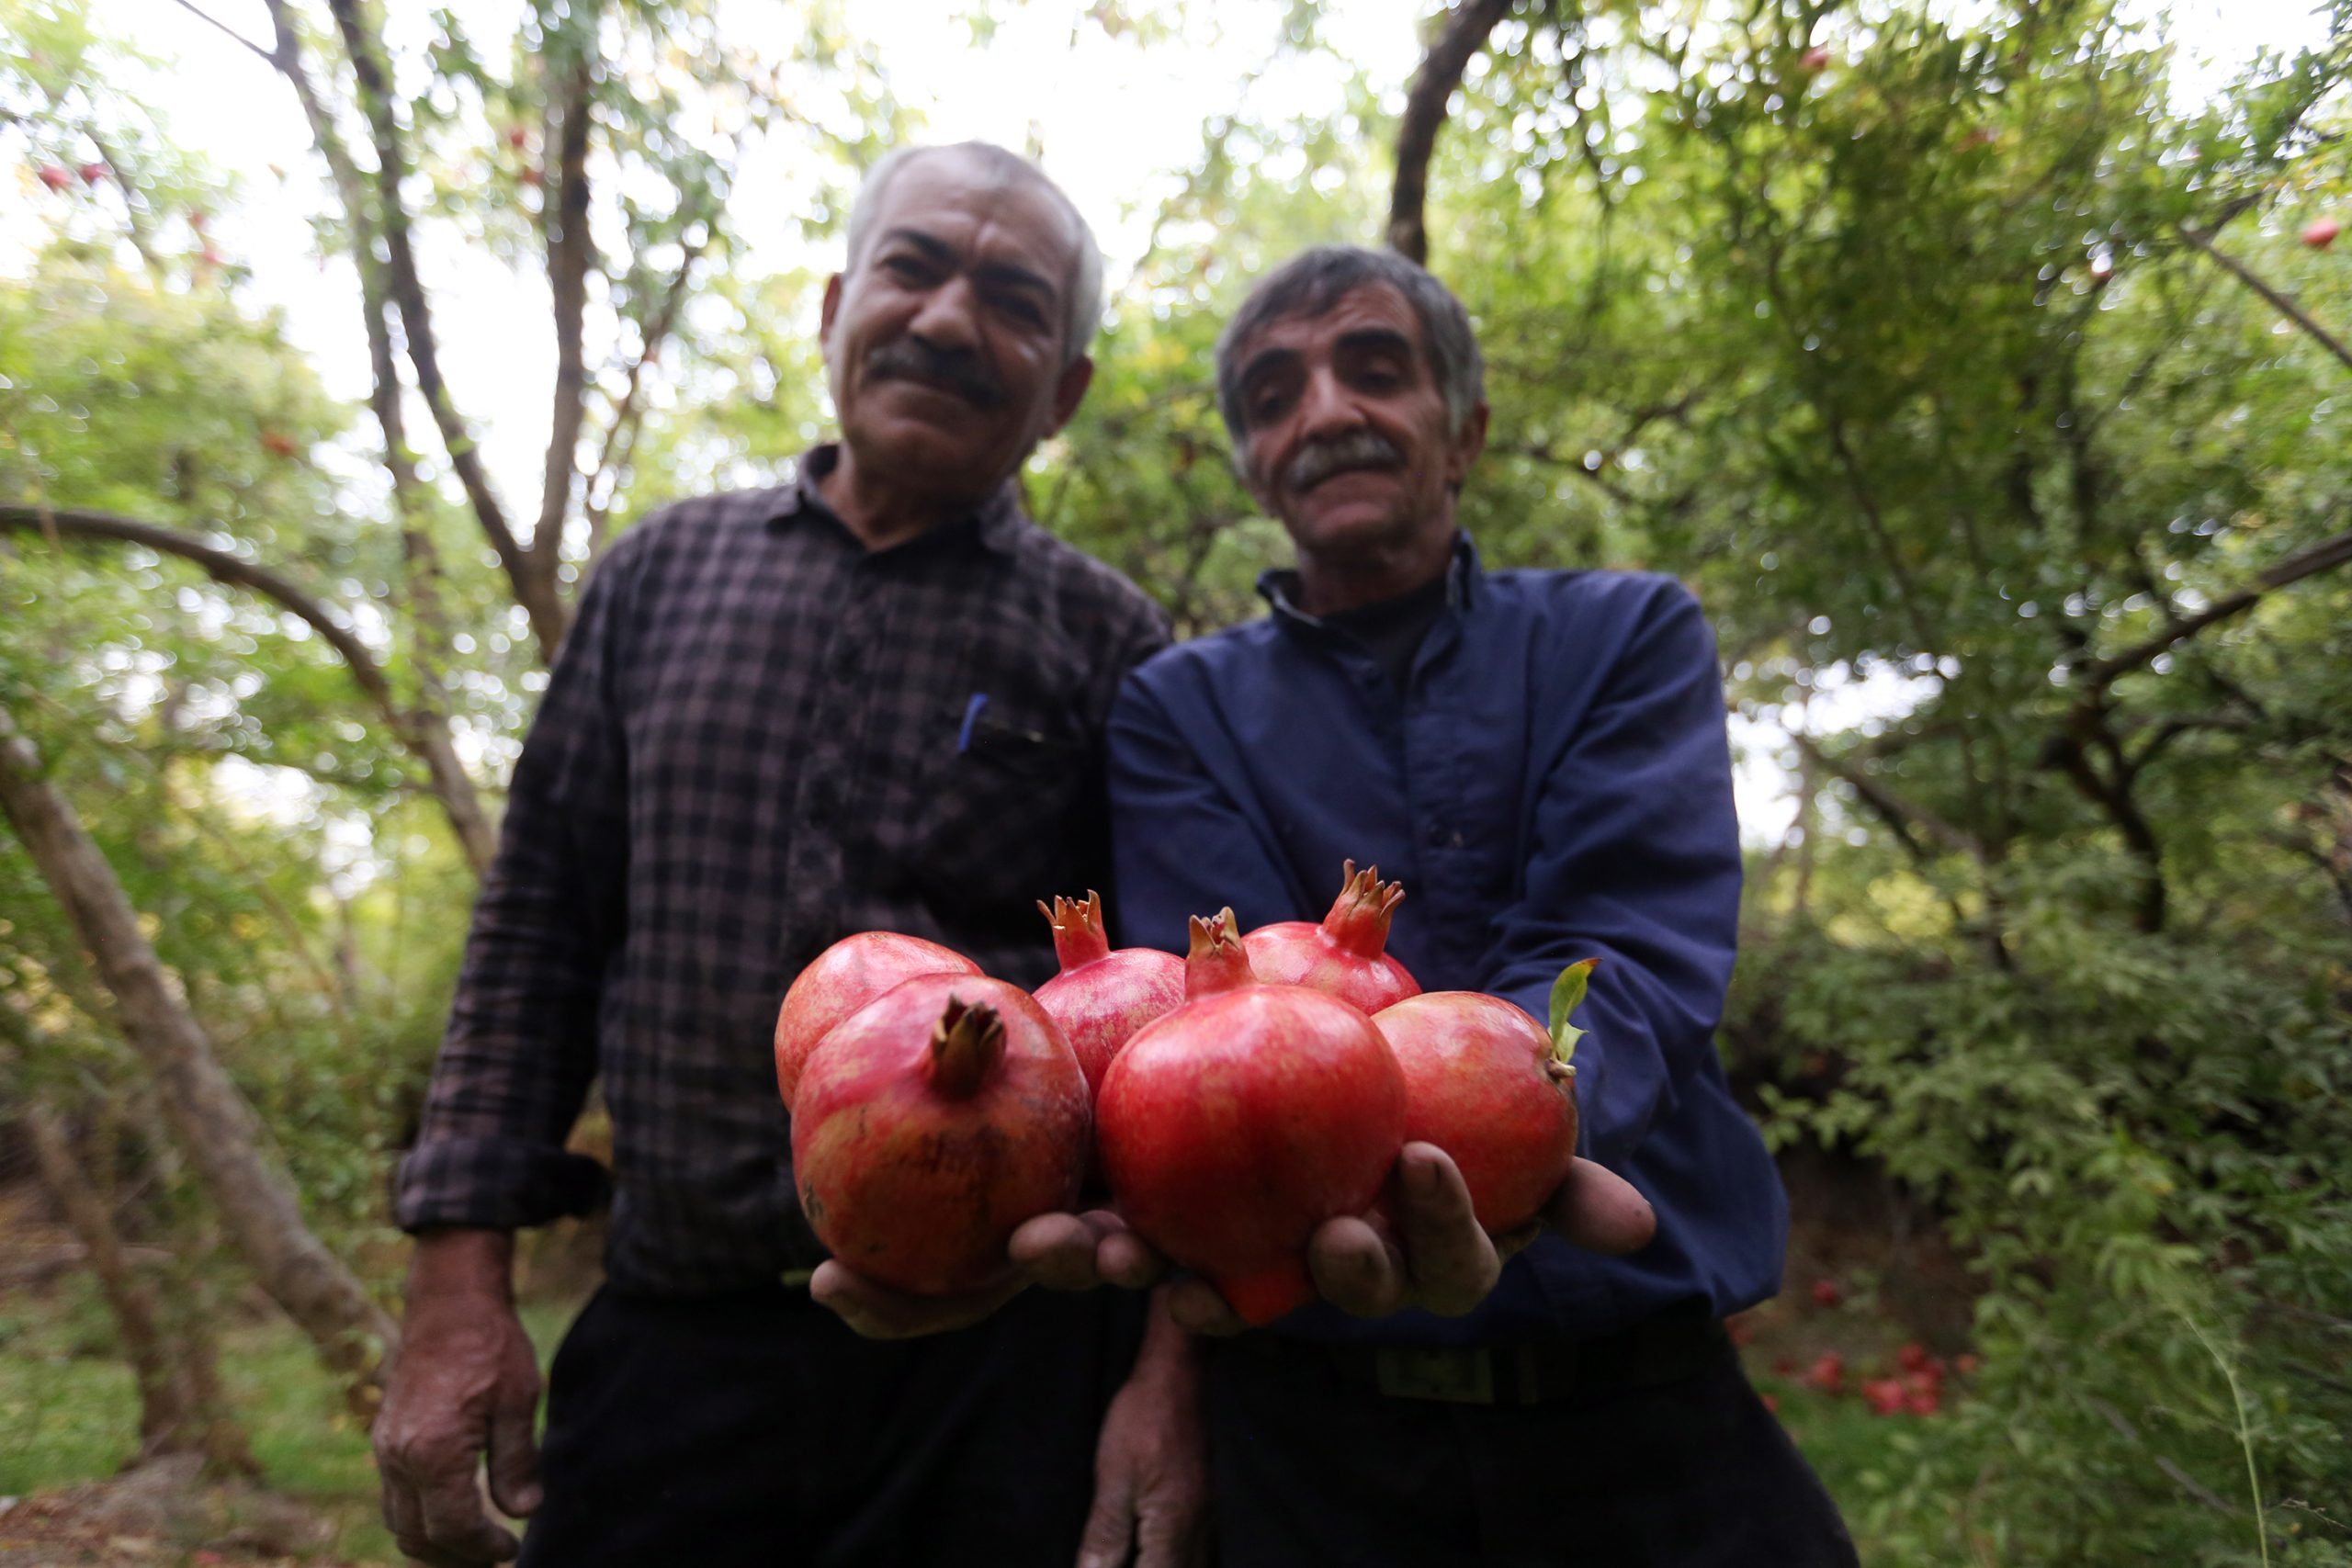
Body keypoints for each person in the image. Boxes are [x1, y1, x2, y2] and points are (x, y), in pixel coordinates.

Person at [373, 141, 1204, 1568]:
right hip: (671, 1345)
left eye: (1013, 298)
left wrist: (1168, 1379)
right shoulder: (657, 577)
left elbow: (1171, 1034)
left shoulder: (1111, 642)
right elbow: (535, 930)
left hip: (999, 1381)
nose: (947, 320)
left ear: (1062, 386)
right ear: (834, 308)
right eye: (913, 268)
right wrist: (459, 1285)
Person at [1106, 244, 1860, 1565]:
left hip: (1646, 1419)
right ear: (1253, 465)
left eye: (1376, 368)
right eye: (1277, 391)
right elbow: (1214, 1032)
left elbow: (1622, 954)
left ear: (1466, 430)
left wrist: (1481, 1138)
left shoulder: (1624, 637)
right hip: (1314, 1447)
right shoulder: (1181, 711)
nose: (1326, 408)